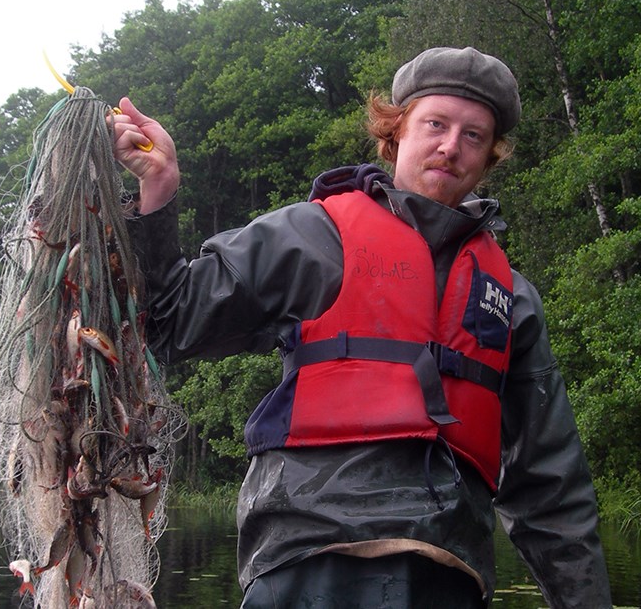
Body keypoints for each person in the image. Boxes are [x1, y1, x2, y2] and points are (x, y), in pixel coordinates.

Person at [112, 46, 612, 608]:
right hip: (307, 558)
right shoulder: (313, 237)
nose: (451, 146)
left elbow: (552, 483)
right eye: (436, 124)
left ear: (489, 157)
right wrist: (159, 192)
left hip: (447, 571)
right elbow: (170, 321)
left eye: (473, 136)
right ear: (396, 132)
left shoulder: (511, 298)